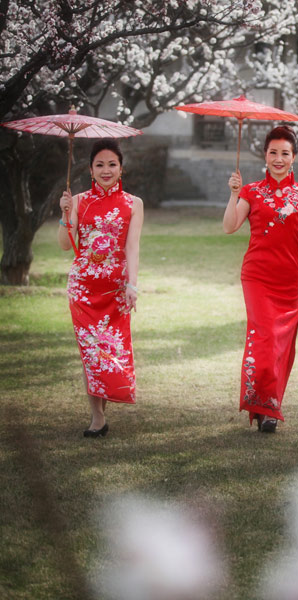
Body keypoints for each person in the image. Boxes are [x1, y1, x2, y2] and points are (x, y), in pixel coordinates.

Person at [223, 125, 298, 433]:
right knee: (265, 340)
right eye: (273, 153)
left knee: (282, 346)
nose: (279, 158)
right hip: (256, 276)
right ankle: (266, 408)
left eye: (285, 153)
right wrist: (233, 195)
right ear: (265, 156)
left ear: (293, 157)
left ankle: (268, 406)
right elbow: (230, 226)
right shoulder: (251, 191)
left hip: (289, 280)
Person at [59, 139, 143, 437]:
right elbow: (64, 245)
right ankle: (97, 418)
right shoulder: (79, 201)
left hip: (115, 291)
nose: (106, 170)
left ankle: (103, 401)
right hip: (83, 289)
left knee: (110, 352)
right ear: (90, 170)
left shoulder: (134, 204)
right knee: (90, 353)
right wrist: (65, 214)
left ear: (121, 168)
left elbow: (132, 247)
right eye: (99, 164)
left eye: (112, 164)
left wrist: (132, 283)